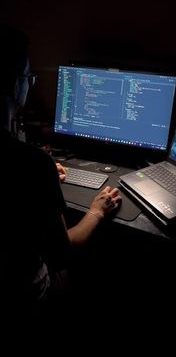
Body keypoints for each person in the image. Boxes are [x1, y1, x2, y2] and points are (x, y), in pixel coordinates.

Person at [0, 24, 122, 315]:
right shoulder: (31, 163)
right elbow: (63, 253)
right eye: (29, 76)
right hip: (25, 294)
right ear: (15, 84)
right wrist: (97, 211)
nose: (31, 84)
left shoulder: (32, 164)